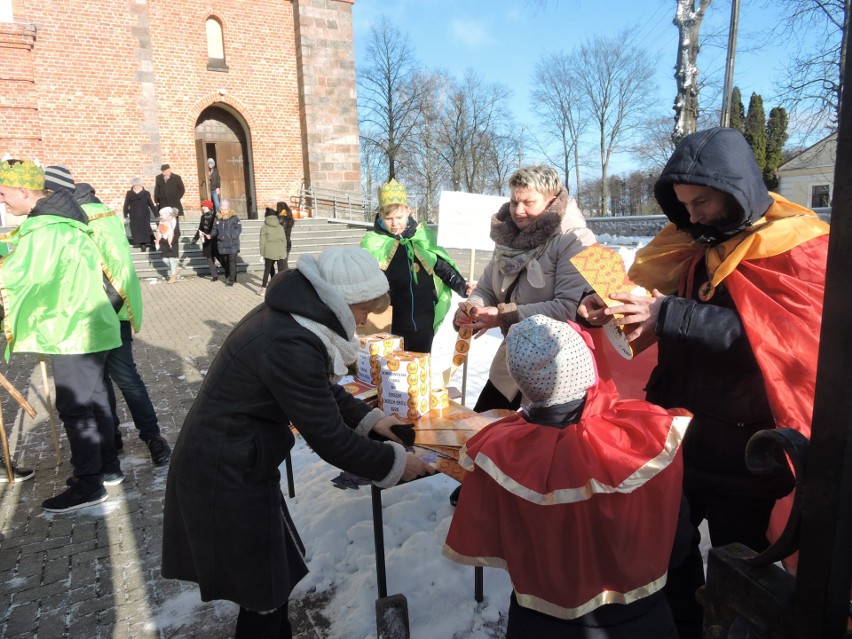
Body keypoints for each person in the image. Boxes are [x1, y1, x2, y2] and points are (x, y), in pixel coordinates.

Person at [577, 127, 830, 638]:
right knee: (669, 552)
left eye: (701, 203)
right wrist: (613, 307)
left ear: (736, 192)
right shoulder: (695, 242)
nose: (690, 217)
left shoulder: (797, 247)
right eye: (683, 205)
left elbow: (776, 341)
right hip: (681, 436)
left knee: (741, 569)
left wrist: (668, 314)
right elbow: (663, 306)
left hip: (748, 447)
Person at [161, 246, 435, 638]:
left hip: (240, 463)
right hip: (225, 474)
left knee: (270, 585)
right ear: (338, 300)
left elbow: (320, 391)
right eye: (362, 309)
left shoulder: (294, 319)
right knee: (264, 597)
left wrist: (374, 420)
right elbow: (329, 438)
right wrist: (395, 463)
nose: (365, 320)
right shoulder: (290, 340)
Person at [444, 315, 691, 638]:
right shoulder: (641, 441)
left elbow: (499, 540)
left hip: (537, 623)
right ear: (586, 367)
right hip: (638, 620)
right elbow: (679, 542)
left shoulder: (501, 454)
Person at [0, 160, 122, 512]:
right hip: (92, 325)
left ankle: (89, 484)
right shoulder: (67, 222)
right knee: (96, 398)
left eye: (5, 194)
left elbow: (20, 279)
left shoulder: (45, 230)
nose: (4, 202)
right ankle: (107, 467)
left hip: (72, 330)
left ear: (24, 191)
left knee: (74, 406)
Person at [44, 165, 172, 467]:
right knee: (105, 382)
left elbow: (114, 269)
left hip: (107, 312)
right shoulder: (93, 216)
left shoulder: (91, 218)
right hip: (97, 313)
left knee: (123, 378)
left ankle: (152, 438)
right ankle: (112, 436)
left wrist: (103, 310)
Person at [453, 164, 596, 412]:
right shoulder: (508, 237)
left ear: (552, 201)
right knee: (485, 427)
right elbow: (487, 288)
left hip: (556, 369)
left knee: (535, 442)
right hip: (515, 358)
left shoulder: (575, 239)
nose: (518, 211)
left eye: (528, 202)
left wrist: (505, 316)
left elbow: (571, 308)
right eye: (513, 202)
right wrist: (472, 307)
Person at [361, 179, 469, 353]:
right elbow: (363, 279)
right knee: (392, 369)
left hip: (424, 318)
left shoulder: (423, 236)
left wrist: (462, 285)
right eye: (388, 218)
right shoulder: (374, 242)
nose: (394, 223)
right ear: (380, 216)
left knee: (420, 366)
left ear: (408, 212)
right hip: (391, 321)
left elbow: (441, 266)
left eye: (399, 217)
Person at [212, 200, 242, 286]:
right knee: (225, 261)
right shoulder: (217, 218)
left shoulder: (234, 218)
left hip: (233, 244)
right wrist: (210, 235)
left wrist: (233, 235)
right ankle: (231, 274)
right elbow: (214, 229)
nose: (223, 211)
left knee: (232, 261)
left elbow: (238, 228)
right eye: (221, 209)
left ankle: (231, 280)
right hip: (222, 244)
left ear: (228, 209)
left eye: (224, 209)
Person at [122, 176, 156, 250]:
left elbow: (151, 204)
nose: (137, 187)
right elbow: (126, 204)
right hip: (134, 214)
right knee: (137, 230)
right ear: (133, 185)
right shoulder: (129, 193)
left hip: (144, 214)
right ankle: (142, 244)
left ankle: (152, 242)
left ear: (141, 185)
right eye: (135, 185)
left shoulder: (146, 193)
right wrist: (125, 214)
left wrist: (156, 214)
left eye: (138, 185)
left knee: (146, 229)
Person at [259, 203, 287, 293]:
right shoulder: (280, 227)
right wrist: (284, 251)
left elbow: (262, 242)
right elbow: (284, 240)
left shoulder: (264, 228)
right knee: (281, 271)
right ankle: (282, 288)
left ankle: (263, 289)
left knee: (267, 270)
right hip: (280, 251)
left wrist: (262, 254)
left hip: (269, 251)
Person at [192, 199, 221, 281]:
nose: (203, 208)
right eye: (202, 206)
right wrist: (195, 239)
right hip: (206, 240)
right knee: (209, 258)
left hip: (215, 239)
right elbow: (200, 229)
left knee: (219, 257)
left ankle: (228, 271)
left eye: (204, 206)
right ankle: (214, 275)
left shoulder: (215, 216)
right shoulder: (203, 217)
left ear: (209, 207)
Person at [154, 207, 181, 283]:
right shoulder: (161, 222)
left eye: (161, 215)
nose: (160, 216)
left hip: (172, 244)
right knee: (164, 259)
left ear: (166, 214)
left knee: (172, 260)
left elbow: (178, 233)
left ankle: (173, 277)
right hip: (164, 243)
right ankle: (175, 270)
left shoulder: (174, 222)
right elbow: (160, 233)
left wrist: (172, 242)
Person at [277, 201, 295, 270]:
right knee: (283, 263)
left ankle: (285, 278)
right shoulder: (289, 218)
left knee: (282, 264)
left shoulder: (281, 219)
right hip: (287, 243)